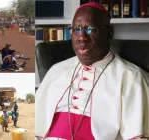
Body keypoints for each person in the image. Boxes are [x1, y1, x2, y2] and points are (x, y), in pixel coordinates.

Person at [35, 2, 149, 140]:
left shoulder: (132, 77)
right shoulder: (56, 70)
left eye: (91, 29)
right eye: (76, 29)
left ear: (109, 33)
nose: (82, 37)